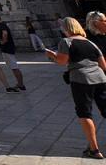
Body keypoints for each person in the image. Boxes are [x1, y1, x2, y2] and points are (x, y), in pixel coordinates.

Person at [46, 17, 106, 160]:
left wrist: (51, 55)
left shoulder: (66, 42)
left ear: (66, 28)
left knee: (85, 114)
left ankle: (94, 150)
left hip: (81, 80)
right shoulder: (90, 43)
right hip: (100, 79)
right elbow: (104, 65)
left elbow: (62, 61)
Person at [0, 13, 25, 91]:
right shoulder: (1, 25)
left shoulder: (2, 25)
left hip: (7, 49)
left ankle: (21, 85)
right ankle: (20, 84)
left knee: (14, 67)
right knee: (13, 67)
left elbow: (5, 33)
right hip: (7, 49)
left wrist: (4, 41)